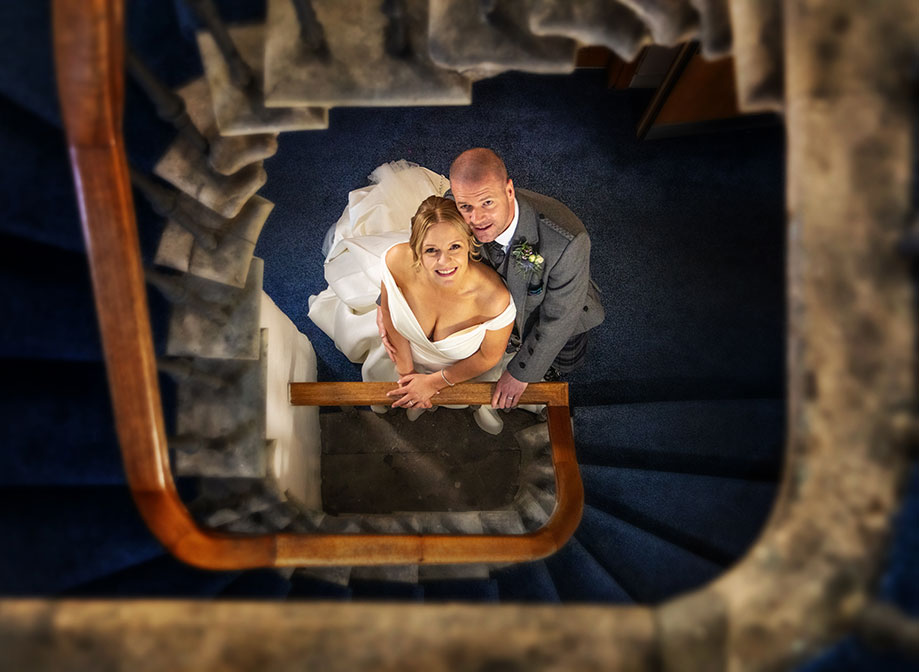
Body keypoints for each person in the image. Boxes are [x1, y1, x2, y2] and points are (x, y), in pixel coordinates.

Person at [380, 149, 604, 409]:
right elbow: (424, 247)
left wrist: (521, 374)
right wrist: (387, 301)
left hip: (550, 309)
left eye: (487, 203)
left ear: (509, 191)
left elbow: (560, 319)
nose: (476, 219)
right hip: (485, 303)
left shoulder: (567, 242)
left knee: (564, 359)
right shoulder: (456, 205)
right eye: (466, 207)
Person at [308, 161, 515, 433]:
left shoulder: (494, 299)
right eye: (431, 250)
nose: (444, 262)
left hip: (460, 370)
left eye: (454, 247)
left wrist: (434, 383)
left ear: (469, 243)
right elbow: (391, 313)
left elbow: (487, 357)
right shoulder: (396, 260)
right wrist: (406, 374)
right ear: (416, 249)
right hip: (404, 354)